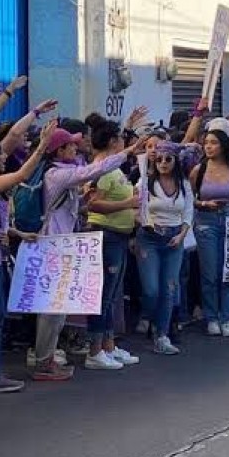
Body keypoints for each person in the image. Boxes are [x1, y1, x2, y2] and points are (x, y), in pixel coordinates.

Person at [32, 128, 145, 381]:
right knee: (52, 307)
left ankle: (47, 358)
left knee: (58, 307)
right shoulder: (57, 174)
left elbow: (72, 207)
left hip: (62, 243)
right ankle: (43, 361)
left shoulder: (59, 175)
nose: (76, 148)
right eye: (70, 146)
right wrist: (126, 153)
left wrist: (82, 201)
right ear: (59, 150)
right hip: (55, 244)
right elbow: (93, 171)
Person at [0, 121, 56, 404]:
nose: (5, 156)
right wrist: (42, 146)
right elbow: (22, 174)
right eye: (0, 154)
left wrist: (17, 233)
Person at [84, 120, 140, 370]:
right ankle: (95, 350)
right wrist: (127, 204)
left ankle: (108, 345)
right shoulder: (103, 169)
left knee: (112, 294)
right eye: (119, 138)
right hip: (105, 235)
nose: (123, 142)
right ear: (111, 142)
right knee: (104, 295)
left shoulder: (114, 168)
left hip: (119, 236)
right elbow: (93, 204)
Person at [190, 130, 229, 338]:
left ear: (223, 146)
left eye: (213, 143)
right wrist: (203, 203)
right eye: (206, 143)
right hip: (206, 221)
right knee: (210, 273)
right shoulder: (199, 170)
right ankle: (211, 317)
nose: (208, 147)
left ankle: (226, 316)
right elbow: (190, 199)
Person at [137, 141, 193, 355]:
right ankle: (150, 318)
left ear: (175, 161)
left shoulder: (184, 183)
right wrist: (143, 223)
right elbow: (137, 206)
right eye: (158, 159)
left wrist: (182, 234)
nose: (162, 163)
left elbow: (188, 211)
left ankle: (162, 334)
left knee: (169, 289)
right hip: (149, 238)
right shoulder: (145, 181)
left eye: (167, 159)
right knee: (151, 289)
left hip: (174, 238)